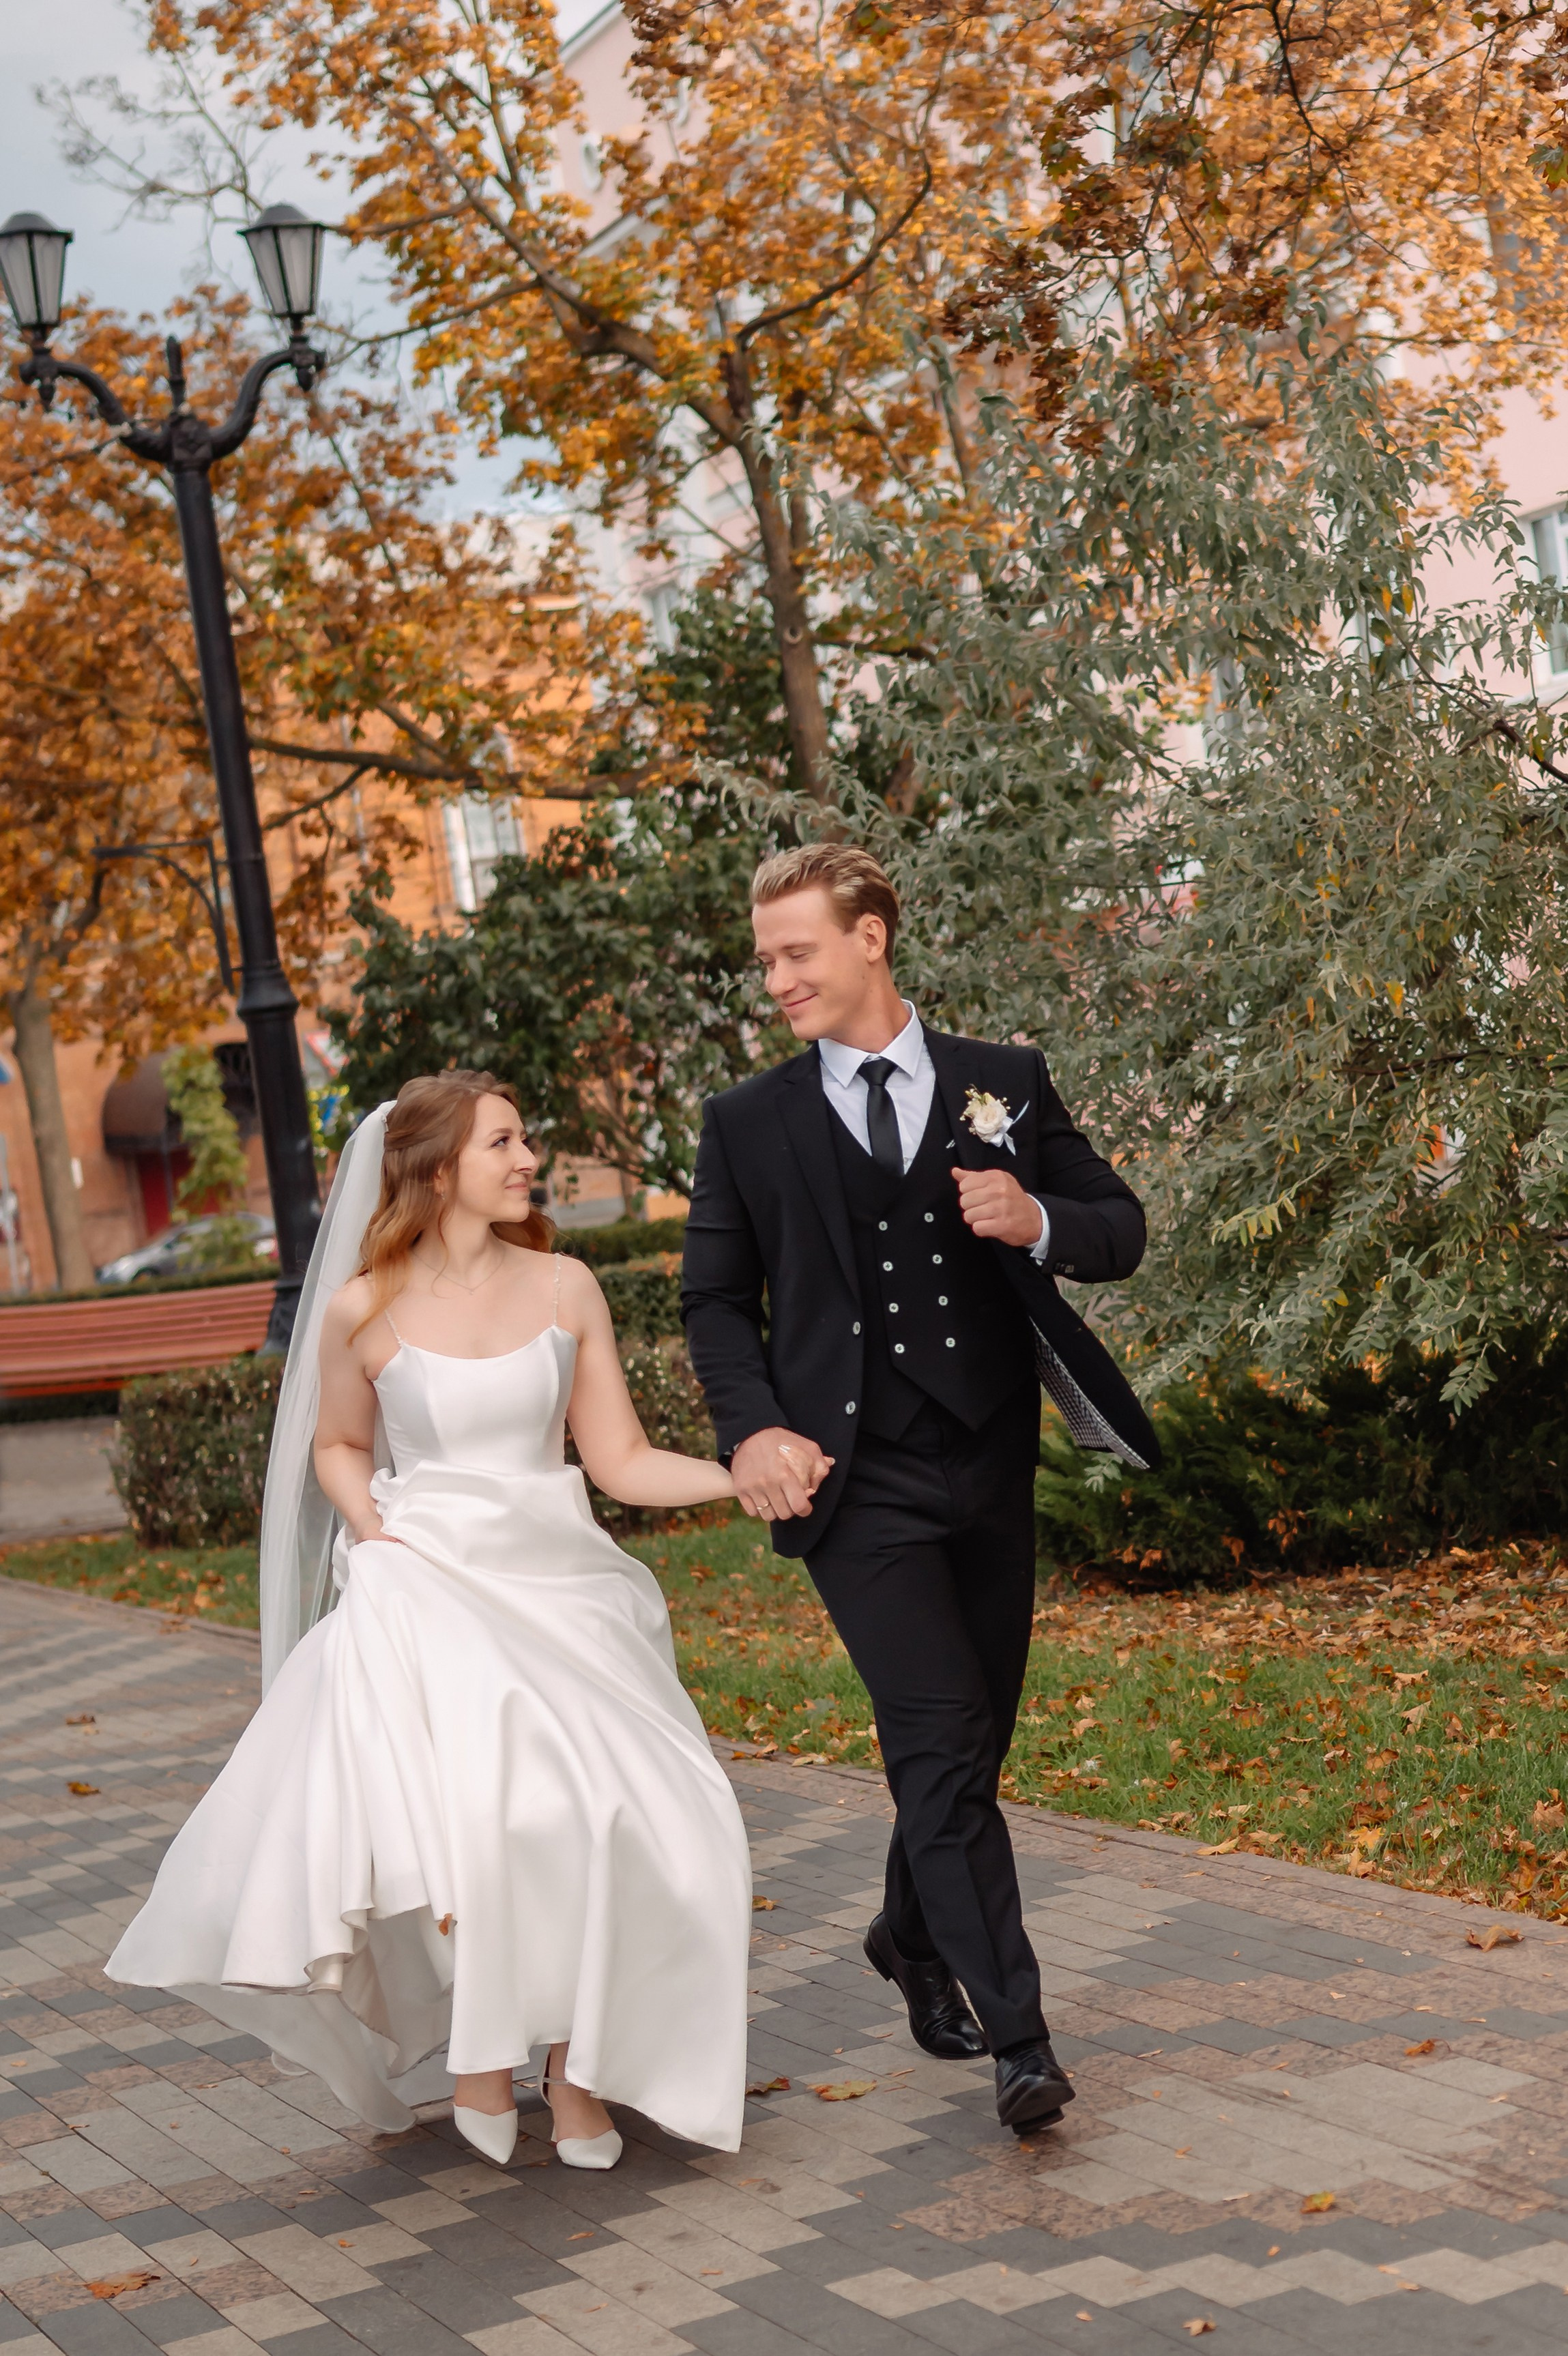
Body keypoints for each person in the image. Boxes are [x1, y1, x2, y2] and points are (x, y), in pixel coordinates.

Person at [109, 1070, 757, 2170]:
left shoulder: (566, 1287)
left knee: (662, 1818)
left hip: (559, 1584)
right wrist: (374, 1527)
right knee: (496, 1820)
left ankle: (578, 2070)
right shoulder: (364, 1305)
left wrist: (743, 1478)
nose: (526, 1159)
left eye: (524, 1139)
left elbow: (620, 1461)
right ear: (434, 1166)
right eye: (502, 1141)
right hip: (426, 1577)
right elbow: (337, 1446)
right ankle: (489, 2045)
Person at [682, 846, 1157, 2138]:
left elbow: (1119, 1225)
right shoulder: (747, 1122)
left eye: (797, 952)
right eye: (766, 956)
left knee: (970, 1744)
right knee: (938, 1739)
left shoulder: (1003, 1083)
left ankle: (906, 1929)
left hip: (991, 1460)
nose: (775, 976)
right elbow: (715, 1304)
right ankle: (1021, 2039)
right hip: (855, 1482)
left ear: (871, 938)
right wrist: (752, 1431)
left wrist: (1035, 1216)